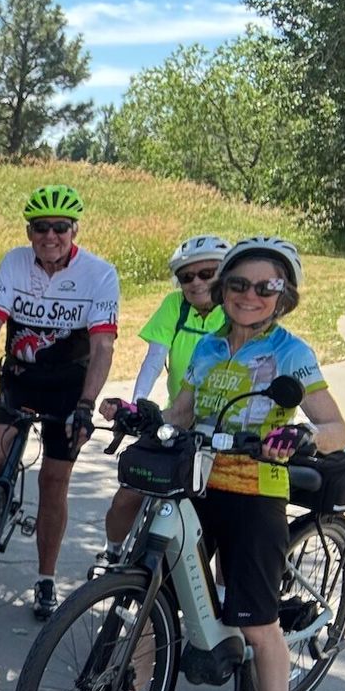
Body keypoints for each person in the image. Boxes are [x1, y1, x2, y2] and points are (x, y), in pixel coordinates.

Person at [103, 236, 345, 691]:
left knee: (257, 621)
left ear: (283, 296)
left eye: (266, 287)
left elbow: (336, 427)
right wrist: (143, 416)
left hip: (256, 493)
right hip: (197, 484)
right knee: (157, 590)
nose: (250, 295)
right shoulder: (210, 348)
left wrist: (303, 437)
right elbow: (183, 413)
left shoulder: (291, 353)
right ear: (223, 289)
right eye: (238, 284)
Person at [0, 184, 119, 619]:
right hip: (21, 377)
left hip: (69, 387)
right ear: (29, 231)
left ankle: (45, 578)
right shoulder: (15, 262)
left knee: (54, 481)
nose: (50, 236)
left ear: (74, 230)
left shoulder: (99, 274)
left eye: (59, 227)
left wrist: (86, 404)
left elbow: (103, 347)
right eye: (40, 227)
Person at [97, 234, 228, 566]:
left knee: (217, 520)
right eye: (186, 276)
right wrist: (137, 406)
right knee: (129, 491)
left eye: (207, 273)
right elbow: (155, 359)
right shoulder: (176, 305)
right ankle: (113, 555)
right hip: (178, 417)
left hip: (226, 429)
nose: (196, 282)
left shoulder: (236, 313)